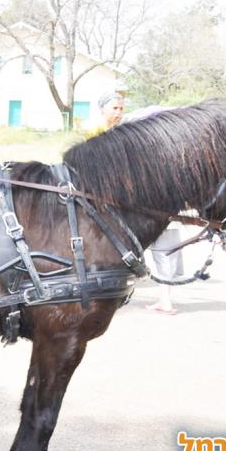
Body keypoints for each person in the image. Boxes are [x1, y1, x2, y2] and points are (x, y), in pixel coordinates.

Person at [88, 94, 183, 313]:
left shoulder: (128, 130)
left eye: (121, 108)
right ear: (103, 109)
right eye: (115, 108)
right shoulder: (94, 131)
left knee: (161, 244)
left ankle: (163, 298)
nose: (119, 112)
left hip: (128, 197)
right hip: (104, 196)